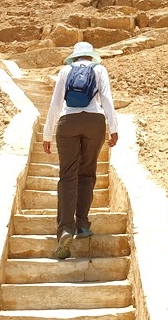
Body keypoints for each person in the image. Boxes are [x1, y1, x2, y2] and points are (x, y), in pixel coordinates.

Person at [42, 41, 119, 259]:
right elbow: (107, 99)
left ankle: (66, 229)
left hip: (68, 121)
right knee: (87, 173)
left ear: (74, 57)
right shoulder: (100, 69)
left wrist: (47, 134)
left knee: (68, 176)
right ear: (91, 56)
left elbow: (55, 104)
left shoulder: (65, 70)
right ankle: (83, 225)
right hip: (95, 121)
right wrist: (113, 128)